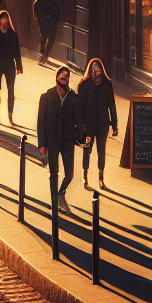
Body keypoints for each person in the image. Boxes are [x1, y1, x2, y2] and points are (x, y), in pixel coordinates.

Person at [36, 65, 87, 215]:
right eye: (62, 77)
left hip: (67, 142)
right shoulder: (46, 97)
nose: (65, 79)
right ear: (57, 78)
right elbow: (41, 122)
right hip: (52, 141)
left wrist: (78, 136)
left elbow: (80, 122)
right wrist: (42, 145)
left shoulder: (74, 99)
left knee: (69, 174)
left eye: (67, 77)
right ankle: (54, 201)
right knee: (54, 173)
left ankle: (60, 193)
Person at [77, 57, 118, 190]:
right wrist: (80, 125)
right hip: (88, 125)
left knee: (101, 151)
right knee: (87, 150)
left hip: (102, 124)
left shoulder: (107, 84)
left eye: (98, 69)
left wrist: (114, 125)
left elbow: (111, 105)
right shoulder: (83, 84)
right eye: (93, 69)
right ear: (89, 70)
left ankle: (101, 178)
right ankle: (85, 176)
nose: (96, 72)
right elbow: (79, 107)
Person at [0, 9, 23, 122]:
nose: (4, 23)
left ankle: (10, 112)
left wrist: (19, 66)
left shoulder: (13, 34)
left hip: (10, 64)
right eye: (2, 20)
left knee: (11, 88)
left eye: (6, 21)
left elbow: (17, 51)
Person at [34, 0, 62, 65]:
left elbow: (35, 5)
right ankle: (43, 55)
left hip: (46, 21)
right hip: (48, 22)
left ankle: (43, 55)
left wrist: (38, 17)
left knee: (44, 39)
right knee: (48, 39)